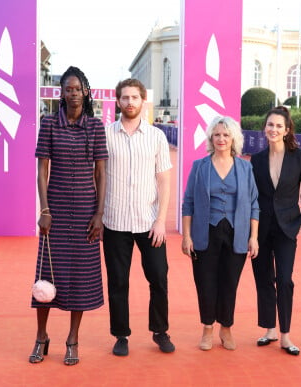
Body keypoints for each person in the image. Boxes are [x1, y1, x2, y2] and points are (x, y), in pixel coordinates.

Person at [29, 66, 107, 366]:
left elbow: (101, 172)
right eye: (67, 89)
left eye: (77, 88)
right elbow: (42, 171)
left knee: (81, 278)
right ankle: (41, 336)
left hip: (87, 210)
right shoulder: (48, 124)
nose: (73, 93)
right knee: (47, 275)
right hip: (56, 212)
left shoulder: (96, 127)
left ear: (86, 91)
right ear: (61, 93)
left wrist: (99, 213)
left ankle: (73, 339)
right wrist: (44, 210)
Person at [103, 78, 175, 355]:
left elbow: (164, 181)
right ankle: (121, 335)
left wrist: (160, 220)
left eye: (135, 97)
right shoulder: (106, 134)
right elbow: (98, 175)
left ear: (143, 101)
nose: (130, 102)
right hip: (115, 221)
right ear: (118, 101)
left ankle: (160, 331)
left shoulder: (157, 137)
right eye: (125, 97)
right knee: (118, 281)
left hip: (149, 222)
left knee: (159, 277)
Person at [181, 116, 260, 351]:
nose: (221, 139)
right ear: (210, 138)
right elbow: (189, 203)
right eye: (217, 135)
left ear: (234, 138)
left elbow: (254, 204)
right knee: (205, 282)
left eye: (226, 135)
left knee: (229, 283)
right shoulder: (200, 166)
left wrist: (253, 237)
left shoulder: (246, 167)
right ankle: (207, 327)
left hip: (236, 234)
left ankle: (226, 327)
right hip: (205, 232)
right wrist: (187, 236)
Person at [250, 106, 301, 356]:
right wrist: (251, 232)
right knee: (263, 279)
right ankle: (269, 329)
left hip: (288, 229)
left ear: (287, 130)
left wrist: (300, 221)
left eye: (279, 126)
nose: (273, 130)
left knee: (285, 280)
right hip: (261, 228)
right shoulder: (255, 160)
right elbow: (251, 197)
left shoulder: (299, 157)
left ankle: (286, 334)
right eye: (270, 125)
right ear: (264, 128)